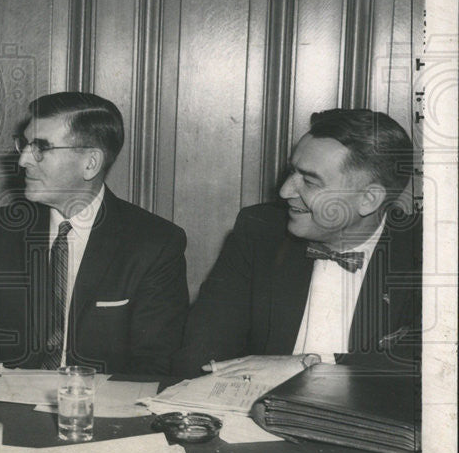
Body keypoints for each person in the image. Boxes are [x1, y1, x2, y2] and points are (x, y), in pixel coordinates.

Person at [0, 92, 189, 374]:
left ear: (90, 163)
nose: (23, 160)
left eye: (41, 148)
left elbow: (154, 363)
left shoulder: (155, 243)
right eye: (25, 145)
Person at [172, 108, 421, 380]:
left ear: (369, 200)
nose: (285, 191)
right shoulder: (260, 232)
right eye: (293, 172)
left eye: (310, 182)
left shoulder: (429, 255)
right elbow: (201, 354)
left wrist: (308, 364)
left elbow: (433, 369)